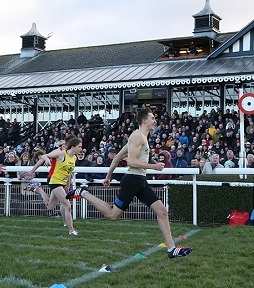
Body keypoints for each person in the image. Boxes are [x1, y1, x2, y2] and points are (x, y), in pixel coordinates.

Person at [65, 108, 193, 258]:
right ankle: (83, 192)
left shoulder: (138, 138)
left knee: (162, 211)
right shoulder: (137, 137)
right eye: (152, 118)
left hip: (140, 181)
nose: (155, 121)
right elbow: (131, 162)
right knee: (113, 215)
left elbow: (117, 158)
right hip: (132, 181)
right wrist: (154, 167)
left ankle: (172, 249)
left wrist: (108, 176)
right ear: (144, 121)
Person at [24, 137, 83, 236]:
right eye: (79, 147)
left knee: (50, 207)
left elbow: (69, 172)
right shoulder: (61, 153)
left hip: (62, 183)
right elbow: (44, 156)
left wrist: (68, 184)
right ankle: (71, 230)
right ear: (72, 147)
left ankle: (39, 190)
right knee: (67, 205)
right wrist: (45, 160)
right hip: (55, 181)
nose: (81, 149)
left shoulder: (74, 157)